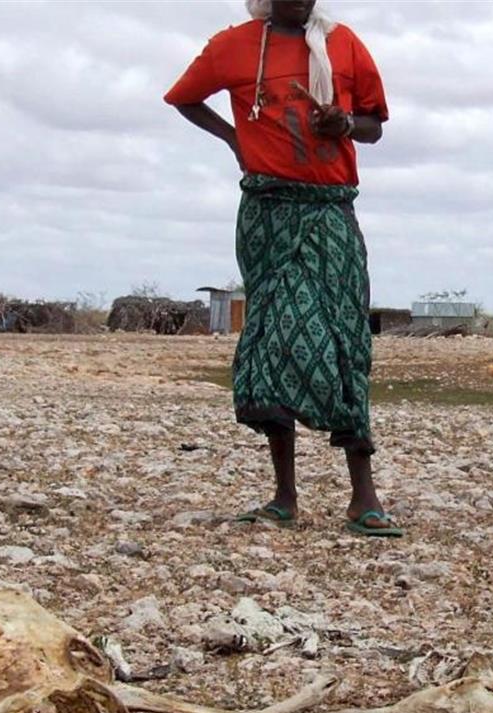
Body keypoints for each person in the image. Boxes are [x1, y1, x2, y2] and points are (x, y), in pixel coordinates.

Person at [163, 0, 402, 537]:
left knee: (344, 338)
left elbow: (374, 127)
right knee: (275, 338)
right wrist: (234, 138)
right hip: (267, 213)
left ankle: (363, 497)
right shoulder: (234, 45)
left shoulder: (345, 44)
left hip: (331, 210)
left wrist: (344, 123)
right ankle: (283, 496)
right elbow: (183, 97)